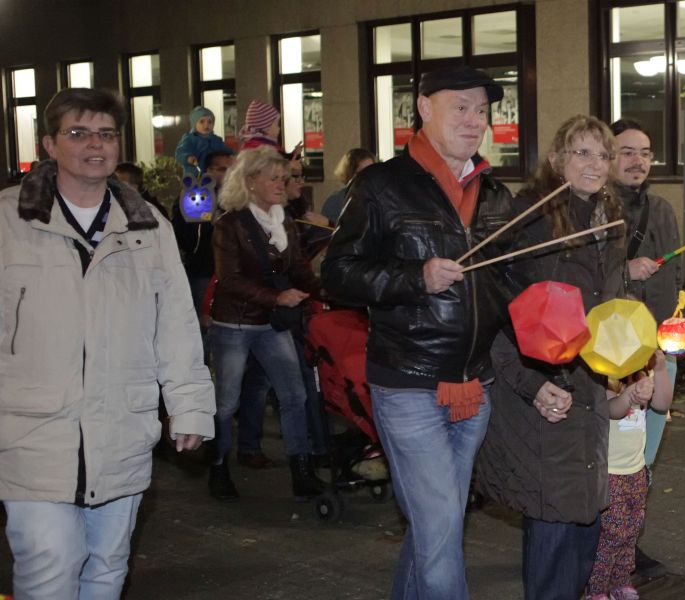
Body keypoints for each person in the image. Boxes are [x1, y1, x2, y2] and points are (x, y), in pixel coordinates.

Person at [0, 87, 215, 599]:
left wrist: (189, 407)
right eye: (78, 133)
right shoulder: (9, 220)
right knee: (50, 566)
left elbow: (176, 324)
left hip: (122, 427)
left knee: (107, 567)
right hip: (32, 430)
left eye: (106, 134)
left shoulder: (148, 226)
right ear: (49, 145)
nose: (94, 144)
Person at [321, 65, 519, 600]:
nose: (475, 120)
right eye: (462, 107)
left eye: (483, 111)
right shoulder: (381, 185)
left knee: (440, 525)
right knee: (440, 524)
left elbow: (510, 284)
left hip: (474, 386)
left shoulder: (495, 194)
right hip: (408, 382)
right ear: (425, 108)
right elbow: (336, 273)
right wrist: (415, 278)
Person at [476, 115, 632, 600]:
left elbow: (608, 307)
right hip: (543, 390)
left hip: (588, 391)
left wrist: (630, 364)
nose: (595, 164)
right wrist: (533, 384)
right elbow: (501, 312)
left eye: (603, 155)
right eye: (582, 152)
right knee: (554, 524)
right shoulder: (529, 220)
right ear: (556, 159)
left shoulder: (608, 219)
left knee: (584, 521)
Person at [208, 145, 324, 501]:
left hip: (271, 323)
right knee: (227, 401)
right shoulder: (229, 224)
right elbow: (228, 280)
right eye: (273, 178)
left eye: (283, 178)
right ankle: (218, 467)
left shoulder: (283, 220)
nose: (281, 184)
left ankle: (302, 471)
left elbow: (299, 268)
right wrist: (277, 297)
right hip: (235, 324)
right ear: (250, 181)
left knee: (294, 395)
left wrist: (331, 291)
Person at [611, 118, 683, 578]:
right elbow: (577, 277)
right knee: (613, 455)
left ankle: (625, 544)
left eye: (645, 153)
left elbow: (676, 274)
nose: (638, 161)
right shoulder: (592, 210)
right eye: (627, 151)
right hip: (610, 350)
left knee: (644, 454)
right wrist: (624, 271)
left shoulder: (662, 210)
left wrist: (670, 338)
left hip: (656, 349)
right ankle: (603, 543)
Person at [585, 349, 673, 600]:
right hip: (610, 472)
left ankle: (620, 580)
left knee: (632, 529)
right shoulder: (604, 375)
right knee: (613, 533)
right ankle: (597, 588)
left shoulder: (642, 374)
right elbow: (612, 409)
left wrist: (659, 369)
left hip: (636, 470)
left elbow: (662, 404)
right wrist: (630, 395)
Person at [172, 150, 235, 320]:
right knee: (206, 318)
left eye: (232, 170)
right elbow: (187, 236)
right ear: (208, 170)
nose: (229, 174)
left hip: (232, 271)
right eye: (222, 169)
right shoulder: (195, 194)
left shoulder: (238, 196)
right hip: (204, 269)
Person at [320, 147, 376, 224]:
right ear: (350, 174)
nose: (369, 176)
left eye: (372, 171)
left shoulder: (379, 199)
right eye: (363, 173)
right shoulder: (335, 202)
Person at [175, 105, 232, 175]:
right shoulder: (190, 139)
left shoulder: (216, 140)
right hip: (195, 173)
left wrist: (235, 156)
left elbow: (225, 150)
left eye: (210, 122)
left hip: (213, 174)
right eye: (202, 122)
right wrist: (188, 158)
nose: (206, 125)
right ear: (194, 124)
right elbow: (180, 152)